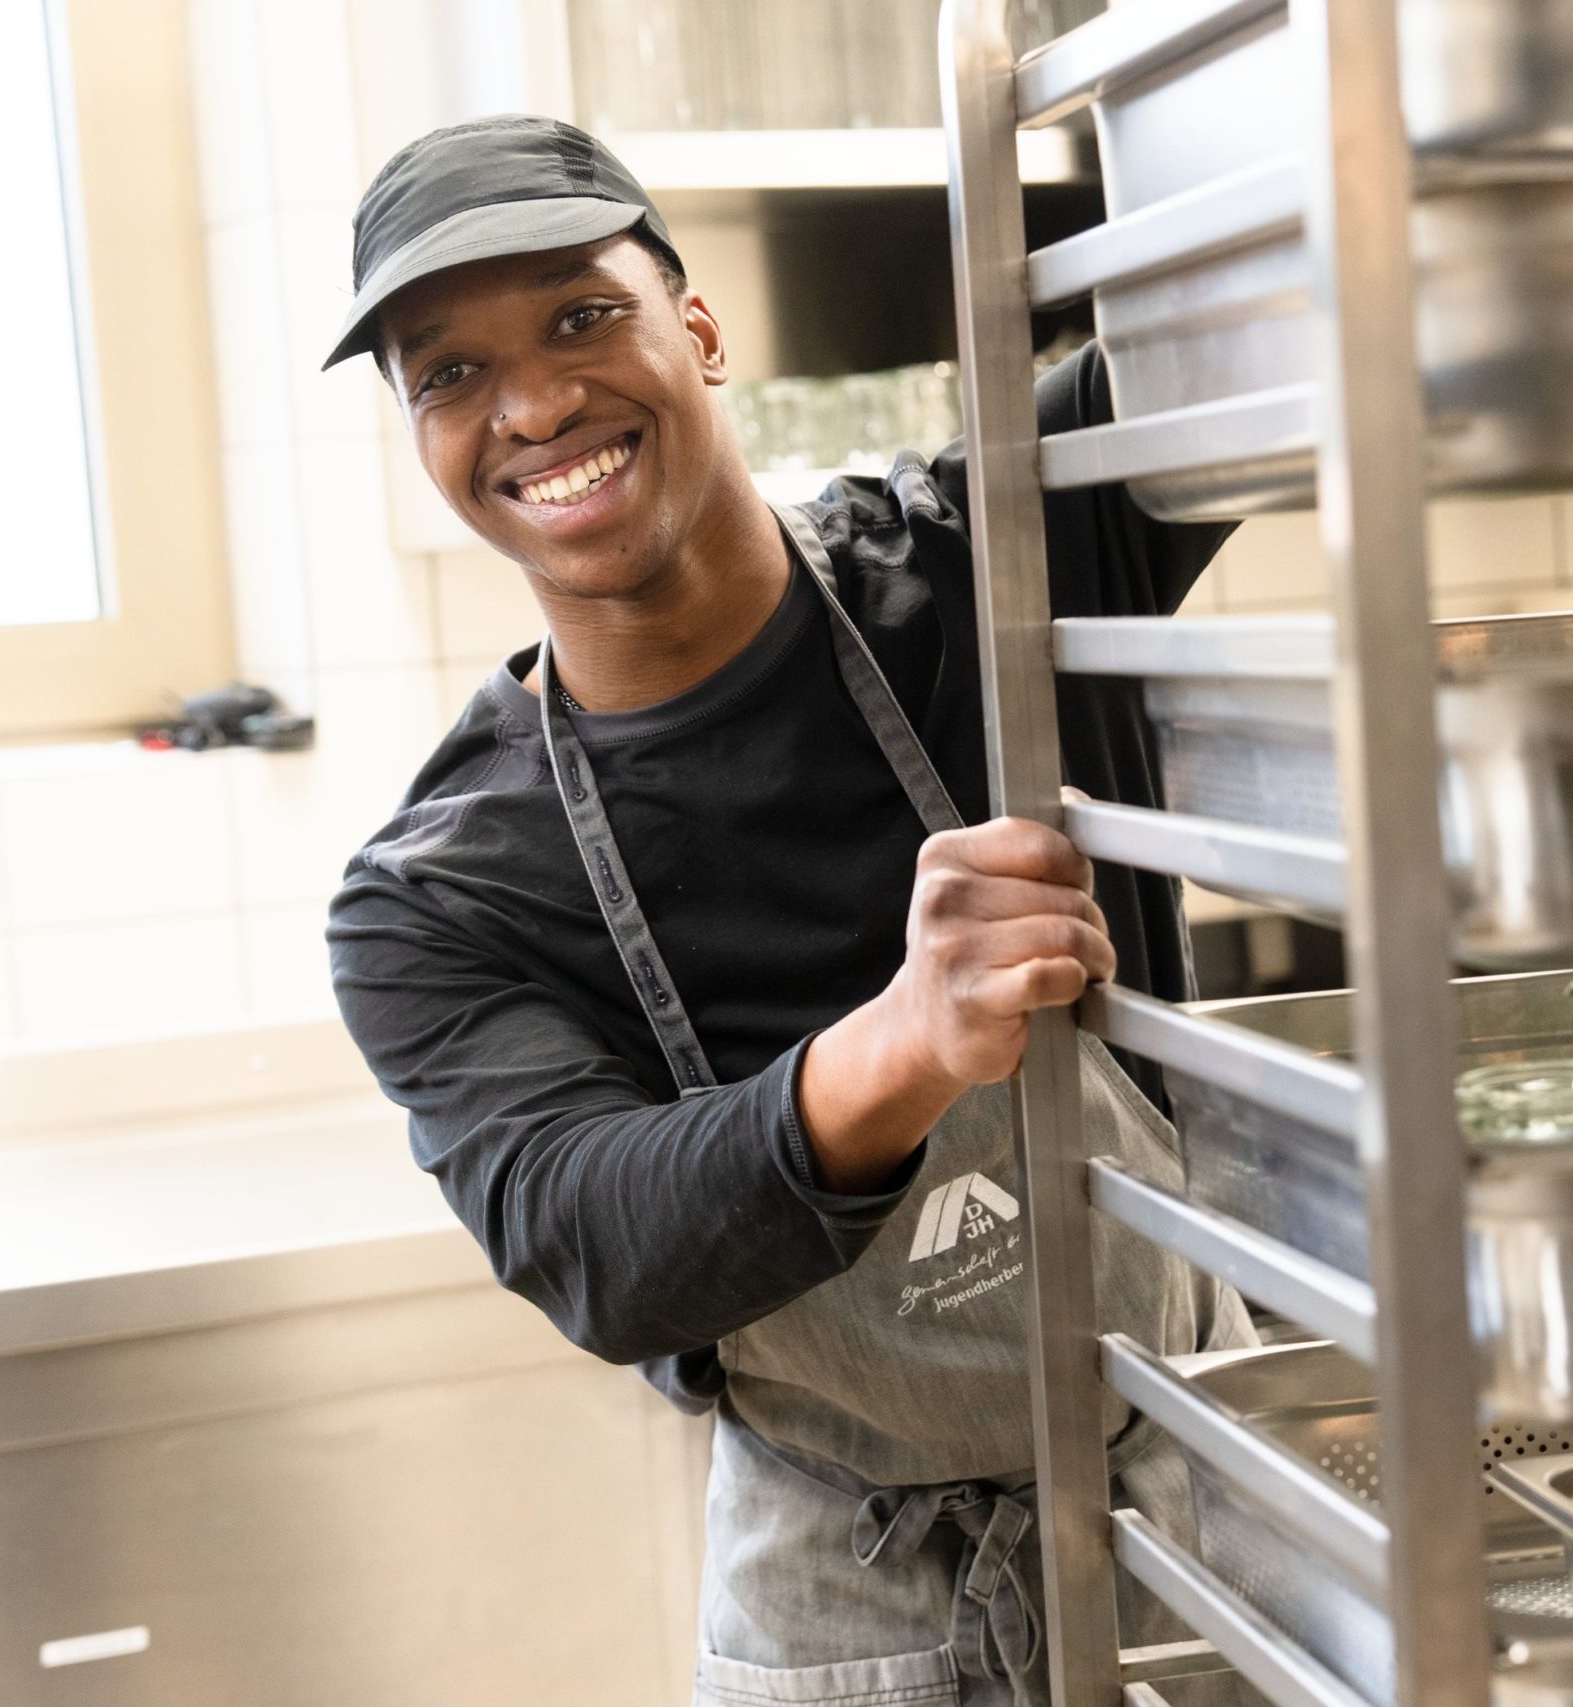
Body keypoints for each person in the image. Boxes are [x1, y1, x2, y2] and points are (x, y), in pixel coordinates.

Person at [323, 115, 1254, 1707]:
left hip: (1202, 1521)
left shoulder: (993, 563)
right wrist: (905, 1043)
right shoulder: (439, 891)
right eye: (450, 376)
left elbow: (1251, 305)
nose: (534, 406)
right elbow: (596, 1243)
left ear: (695, 324)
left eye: (577, 315)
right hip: (847, 1607)